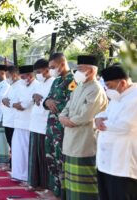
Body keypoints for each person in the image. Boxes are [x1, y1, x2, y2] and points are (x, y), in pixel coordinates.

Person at [59, 55, 108, 200]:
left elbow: (86, 115)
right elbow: (67, 107)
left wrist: (69, 121)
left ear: (91, 71)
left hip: (84, 140)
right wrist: (62, 117)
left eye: (81, 69)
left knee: (85, 182)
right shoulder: (79, 87)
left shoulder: (96, 89)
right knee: (71, 181)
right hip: (70, 138)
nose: (77, 72)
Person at [95, 65, 137, 200]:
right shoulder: (119, 95)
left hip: (122, 162)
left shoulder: (134, 97)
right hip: (106, 161)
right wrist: (98, 118)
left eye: (109, 86)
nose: (107, 90)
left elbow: (126, 125)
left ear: (123, 82)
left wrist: (102, 123)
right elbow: (107, 113)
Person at [43, 53, 76, 197]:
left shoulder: (73, 80)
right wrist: (47, 102)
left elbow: (72, 103)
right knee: (50, 156)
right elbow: (47, 99)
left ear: (62, 64)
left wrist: (54, 104)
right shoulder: (56, 81)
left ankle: (63, 191)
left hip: (62, 127)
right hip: (51, 126)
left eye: (52, 67)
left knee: (60, 158)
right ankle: (55, 188)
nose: (51, 70)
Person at [28, 59, 55, 190]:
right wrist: (35, 96)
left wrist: (41, 98)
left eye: (39, 72)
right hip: (35, 123)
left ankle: (45, 185)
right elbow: (35, 97)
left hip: (45, 124)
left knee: (44, 156)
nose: (37, 74)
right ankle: (35, 182)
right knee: (35, 155)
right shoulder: (40, 83)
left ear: (47, 69)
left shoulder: (54, 82)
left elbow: (52, 102)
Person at [11, 65, 39, 182]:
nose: (21, 79)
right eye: (20, 76)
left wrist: (20, 105)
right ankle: (18, 174)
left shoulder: (37, 85)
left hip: (29, 123)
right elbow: (12, 99)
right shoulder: (20, 86)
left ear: (30, 75)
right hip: (18, 123)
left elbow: (28, 103)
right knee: (17, 150)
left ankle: (27, 175)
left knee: (26, 150)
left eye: (23, 77)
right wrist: (15, 104)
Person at [2, 66, 21, 169]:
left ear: (14, 75)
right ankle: (11, 163)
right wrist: (4, 100)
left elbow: (17, 102)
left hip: (15, 120)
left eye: (8, 76)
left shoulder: (20, 86)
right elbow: (4, 98)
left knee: (15, 144)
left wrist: (7, 102)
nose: (7, 78)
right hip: (8, 120)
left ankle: (13, 164)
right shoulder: (11, 86)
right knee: (11, 143)